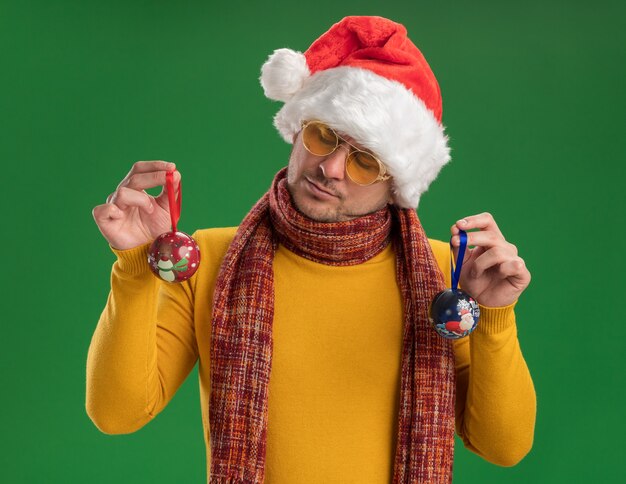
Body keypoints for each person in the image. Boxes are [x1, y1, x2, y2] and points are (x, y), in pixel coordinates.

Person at [87, 15, 536, 484]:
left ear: (397, 185)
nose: (332, 169)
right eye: (324, 136)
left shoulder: (450, 279)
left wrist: (495, 316)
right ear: (298, 128)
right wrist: (137, 265)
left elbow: (502, 447)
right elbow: (118, 414)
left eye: (365, 161)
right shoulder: (209, 259)